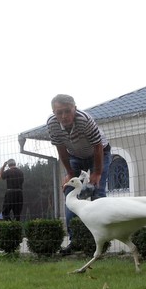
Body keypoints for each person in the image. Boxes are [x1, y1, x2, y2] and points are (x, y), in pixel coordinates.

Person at [46, 94, 112, 254]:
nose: (64, 116)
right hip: (75, 156)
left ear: (74, 108)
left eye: (67, 111)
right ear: (53, 112)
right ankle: (75, 241)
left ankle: (101, 242)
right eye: (59, 112)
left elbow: (97, 146)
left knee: (98, 193)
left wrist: (96, 173)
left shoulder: (84, 120)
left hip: (99, 153)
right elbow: (60, 148)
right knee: (70, 196)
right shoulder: (52, 124)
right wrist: (69, 173)